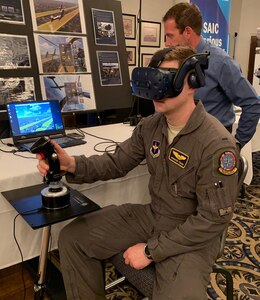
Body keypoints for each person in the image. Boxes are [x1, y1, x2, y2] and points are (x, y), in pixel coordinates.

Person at [36, 46, 239, 300]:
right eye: (154, 80)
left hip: (193, 234)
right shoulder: (151, 126)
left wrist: (151, 251)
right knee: (74, 239)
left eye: (166, 80)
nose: (157, 90)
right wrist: (71, 164)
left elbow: (212, 220)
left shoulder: (216, 144)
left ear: (193, 82)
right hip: (154, 215)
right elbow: (116, 162)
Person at [163, 2, 260, 148]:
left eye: (170, 36)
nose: (167, 43)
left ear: (188, 32)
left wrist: (236, 144)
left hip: (213, 144)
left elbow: (252, 103)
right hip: (180, 140)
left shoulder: (220, 62)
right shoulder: (174, 61)